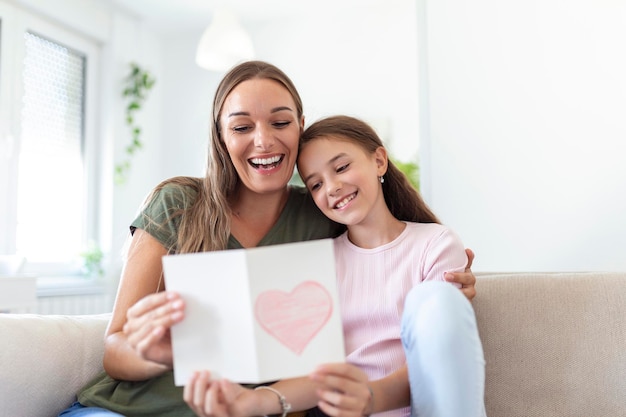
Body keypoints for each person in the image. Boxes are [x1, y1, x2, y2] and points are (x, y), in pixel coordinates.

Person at [58, 62, 477, 417]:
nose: (264, 140)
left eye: (280, 122)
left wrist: (442, 300)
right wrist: (160, 353)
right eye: (242, 126)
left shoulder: (321, 215)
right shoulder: (180, 203)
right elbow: (114, 351)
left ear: (300, 128)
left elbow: (382, 251)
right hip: (127, 408)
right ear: (222, 138)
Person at [183, 115, 486, 417]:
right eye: (315, 184)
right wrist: (254, 400)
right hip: (342, 411)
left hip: (424, 408)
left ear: (379, 160)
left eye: (341, 168)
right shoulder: (321, 262)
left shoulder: (435, 244)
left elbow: (442, 361)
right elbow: (316, 377)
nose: (332, 187)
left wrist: (370, 397)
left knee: (437, 299)